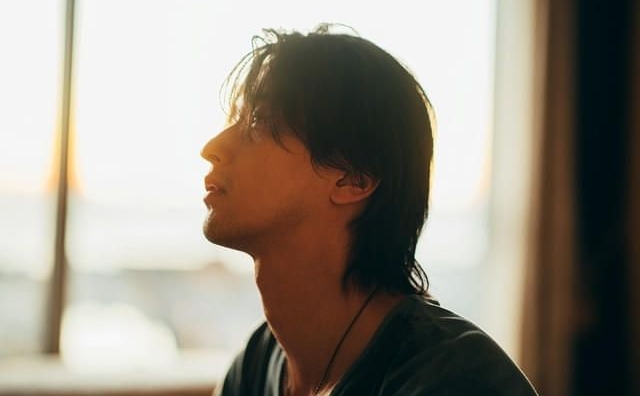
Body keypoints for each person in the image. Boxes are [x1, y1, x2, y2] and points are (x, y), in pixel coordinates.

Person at [201, 25, 538, 396]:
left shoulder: (456, 380)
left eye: (259, 120)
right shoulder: (255, 366)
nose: (212, 147)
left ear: (354, 178)